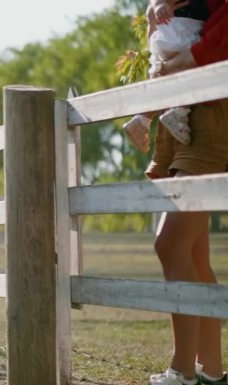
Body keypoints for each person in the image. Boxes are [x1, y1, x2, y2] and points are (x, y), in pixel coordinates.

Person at [141, 2, 228, 384]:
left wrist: (168, 69)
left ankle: (181, 371)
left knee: (170, 245)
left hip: (213, 118)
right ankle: (210, 370)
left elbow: (204, 57)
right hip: (183, 116)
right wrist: (150, 20)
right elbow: (158, 52)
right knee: (194, 252)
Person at [124, 0, 210, 153]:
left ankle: (142, 120)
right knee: (194, 62)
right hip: (180, 28)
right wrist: (158, 5)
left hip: (175, 28)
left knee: (170, 74)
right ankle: (178, 112)